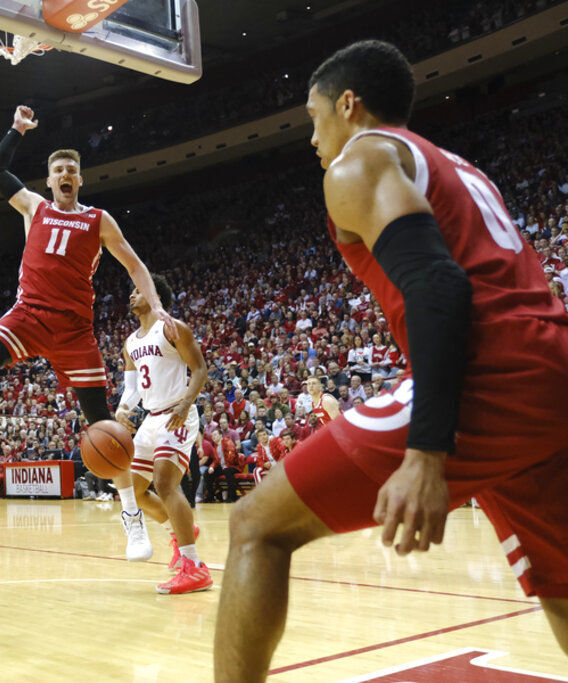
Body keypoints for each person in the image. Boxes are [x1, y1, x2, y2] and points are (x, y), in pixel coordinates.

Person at [215, 40, 568, 681]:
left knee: (255, 526)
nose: (312, 138)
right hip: (555, 370)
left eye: (313, 117)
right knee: (565, 586)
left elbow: (438, 287)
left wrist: (427, 453)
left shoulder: (360, 162)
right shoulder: (459, 166)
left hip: (491, 372)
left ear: (348, 105)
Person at [0, 105, 175, 563]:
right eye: (58, 170)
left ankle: (131, 517)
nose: (65, 174)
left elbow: (134, 264)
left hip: (73, 330)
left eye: (72, 169)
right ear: (48, 181)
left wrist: (158, 305)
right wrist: (16, 130)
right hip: (28, 315)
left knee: (102, 426)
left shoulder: (99, 220)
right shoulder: (33, 206)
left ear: (80, 180)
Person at [115, 276, 213, 594]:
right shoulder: (130, 342)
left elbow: (199, 368)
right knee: (135, 490)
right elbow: (131, 389)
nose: (131, 295)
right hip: (150, 419)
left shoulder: (173, 327)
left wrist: (186, 404)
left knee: (166, 484)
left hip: (176, 413)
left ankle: (194, 567)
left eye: (136, 290)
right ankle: (180, 530)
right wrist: (121, 411)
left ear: (153, 294)